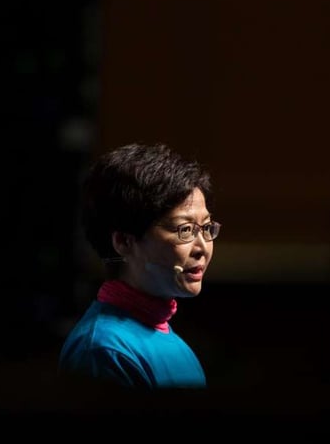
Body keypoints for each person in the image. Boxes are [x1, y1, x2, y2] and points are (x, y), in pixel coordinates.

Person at [58, 142, 219, 390]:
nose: (203, 247)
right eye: (184, 230)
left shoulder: (173, 342)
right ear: (124, 241)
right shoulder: (104, 351)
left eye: (206, 228)